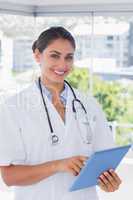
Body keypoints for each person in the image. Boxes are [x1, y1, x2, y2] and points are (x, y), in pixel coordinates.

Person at [0, 26, 121, 200]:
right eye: (54, 55)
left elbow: (104, 163)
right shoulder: (13, 107)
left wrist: (109, 181)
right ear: (37, 55)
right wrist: (58, 165)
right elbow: (9, 177)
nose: (62, 65)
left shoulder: (89, 104)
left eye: (69, 57)